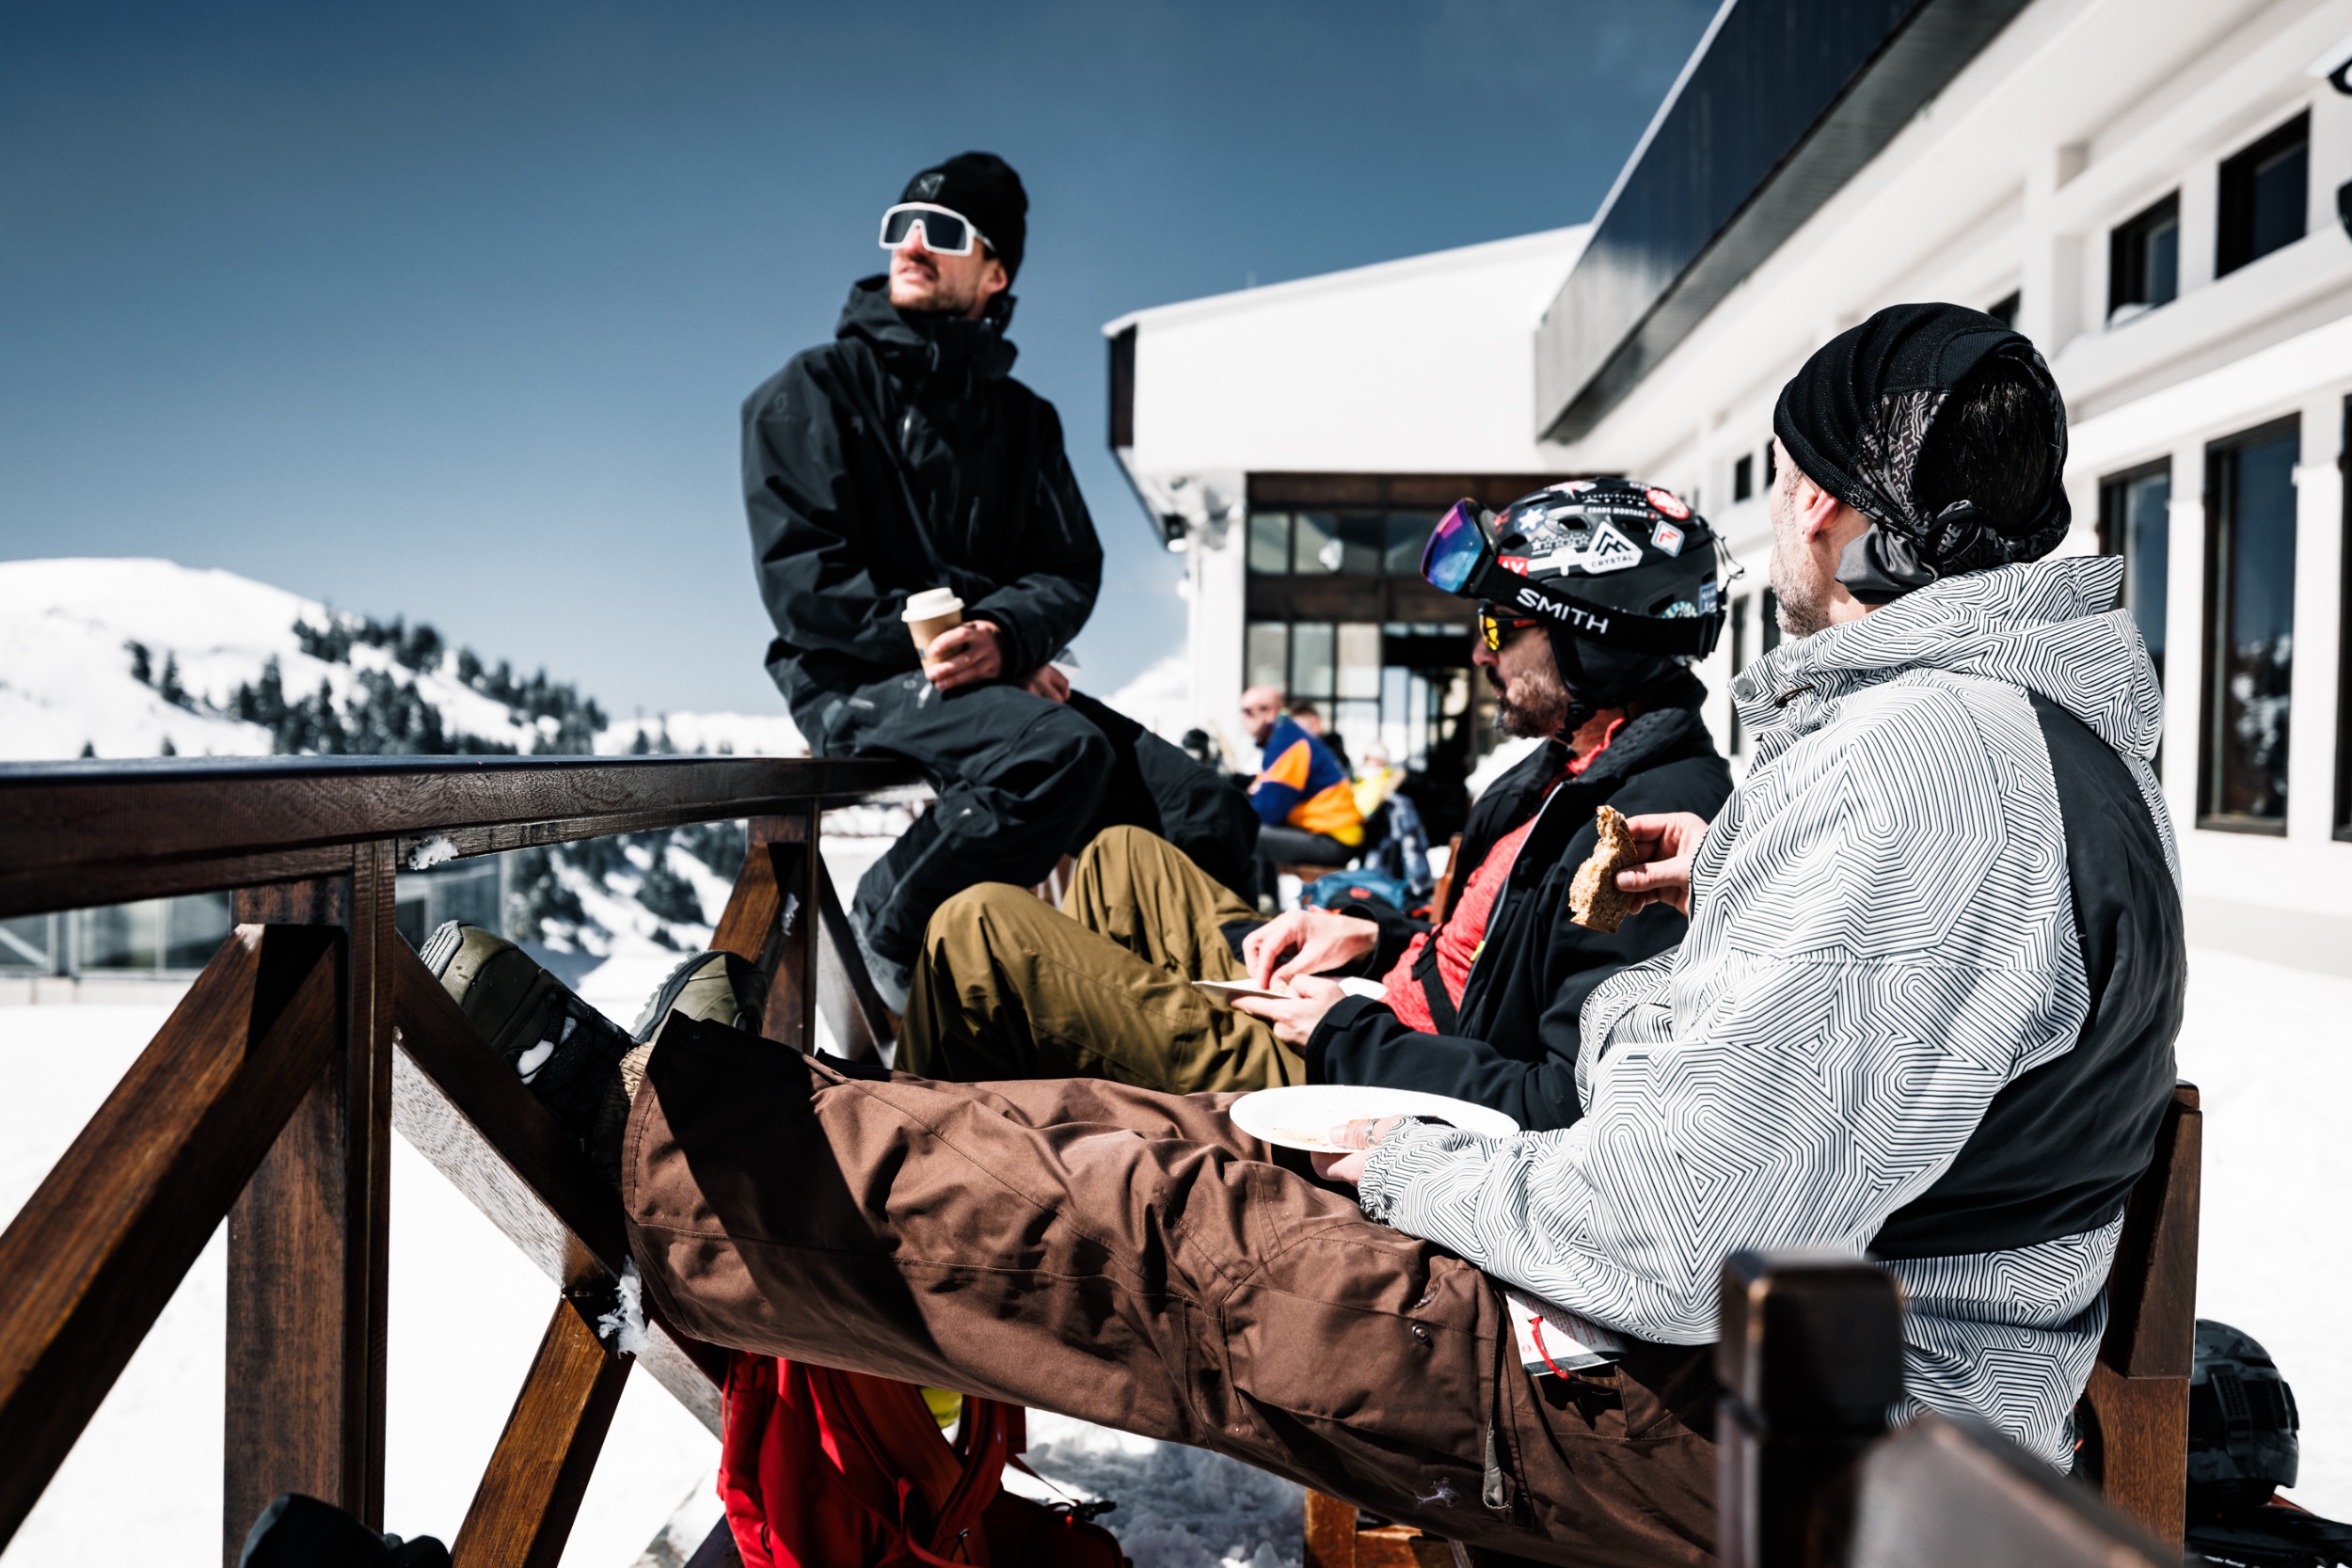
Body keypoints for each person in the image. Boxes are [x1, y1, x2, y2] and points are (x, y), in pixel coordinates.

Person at [436, 303, 2183, 1564]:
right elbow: (1802, 1096)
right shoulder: (2019, 751)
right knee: (1142, 1138)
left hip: (1750, 1441)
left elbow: (1669, 1229)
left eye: (1777, 478)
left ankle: (660, 1154)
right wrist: (1734, 897)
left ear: (1826, 501)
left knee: (1176, 1221)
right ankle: (720, 1130)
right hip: (1786, 1389)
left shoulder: (1928, 764)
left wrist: (1409, 1156)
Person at [896, 480, 1733, 1136]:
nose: (1482, 653)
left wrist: (1345, 1031)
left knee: (979, 930)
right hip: (1376, 1022)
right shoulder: (1567, 769)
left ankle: (913, 1194)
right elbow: (1483, 958)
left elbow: (1567, 1101)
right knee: (1123, 856)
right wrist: (1370, 936)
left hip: (1368, 1086)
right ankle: (1077, 1127)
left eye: (1499, 625)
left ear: (1593, 634)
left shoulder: (1652, 829)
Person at [742, 151, 1253, 1008]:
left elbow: (1068, 565)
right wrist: (983, 651)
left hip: (995, 685)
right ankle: (886, 922)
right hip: (852, 673)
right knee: (1055, 753)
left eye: (942, 232)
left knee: (1206, 807)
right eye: (900, 225)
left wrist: (1009, 639)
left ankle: (1164, 1007)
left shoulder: (1025, 421)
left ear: (994, 271)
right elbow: (806, 585)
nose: (911, 244)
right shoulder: (810, 392)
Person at [1242, 685, 1362, 879]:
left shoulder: (1288, 743)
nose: (1242, 718)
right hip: (1328, 833)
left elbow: (1269, 811)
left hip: (1334, 839)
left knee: (1246, 833)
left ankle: (1263, 897)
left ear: (1270, 713)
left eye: (1248, 711)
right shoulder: (1286, 736)